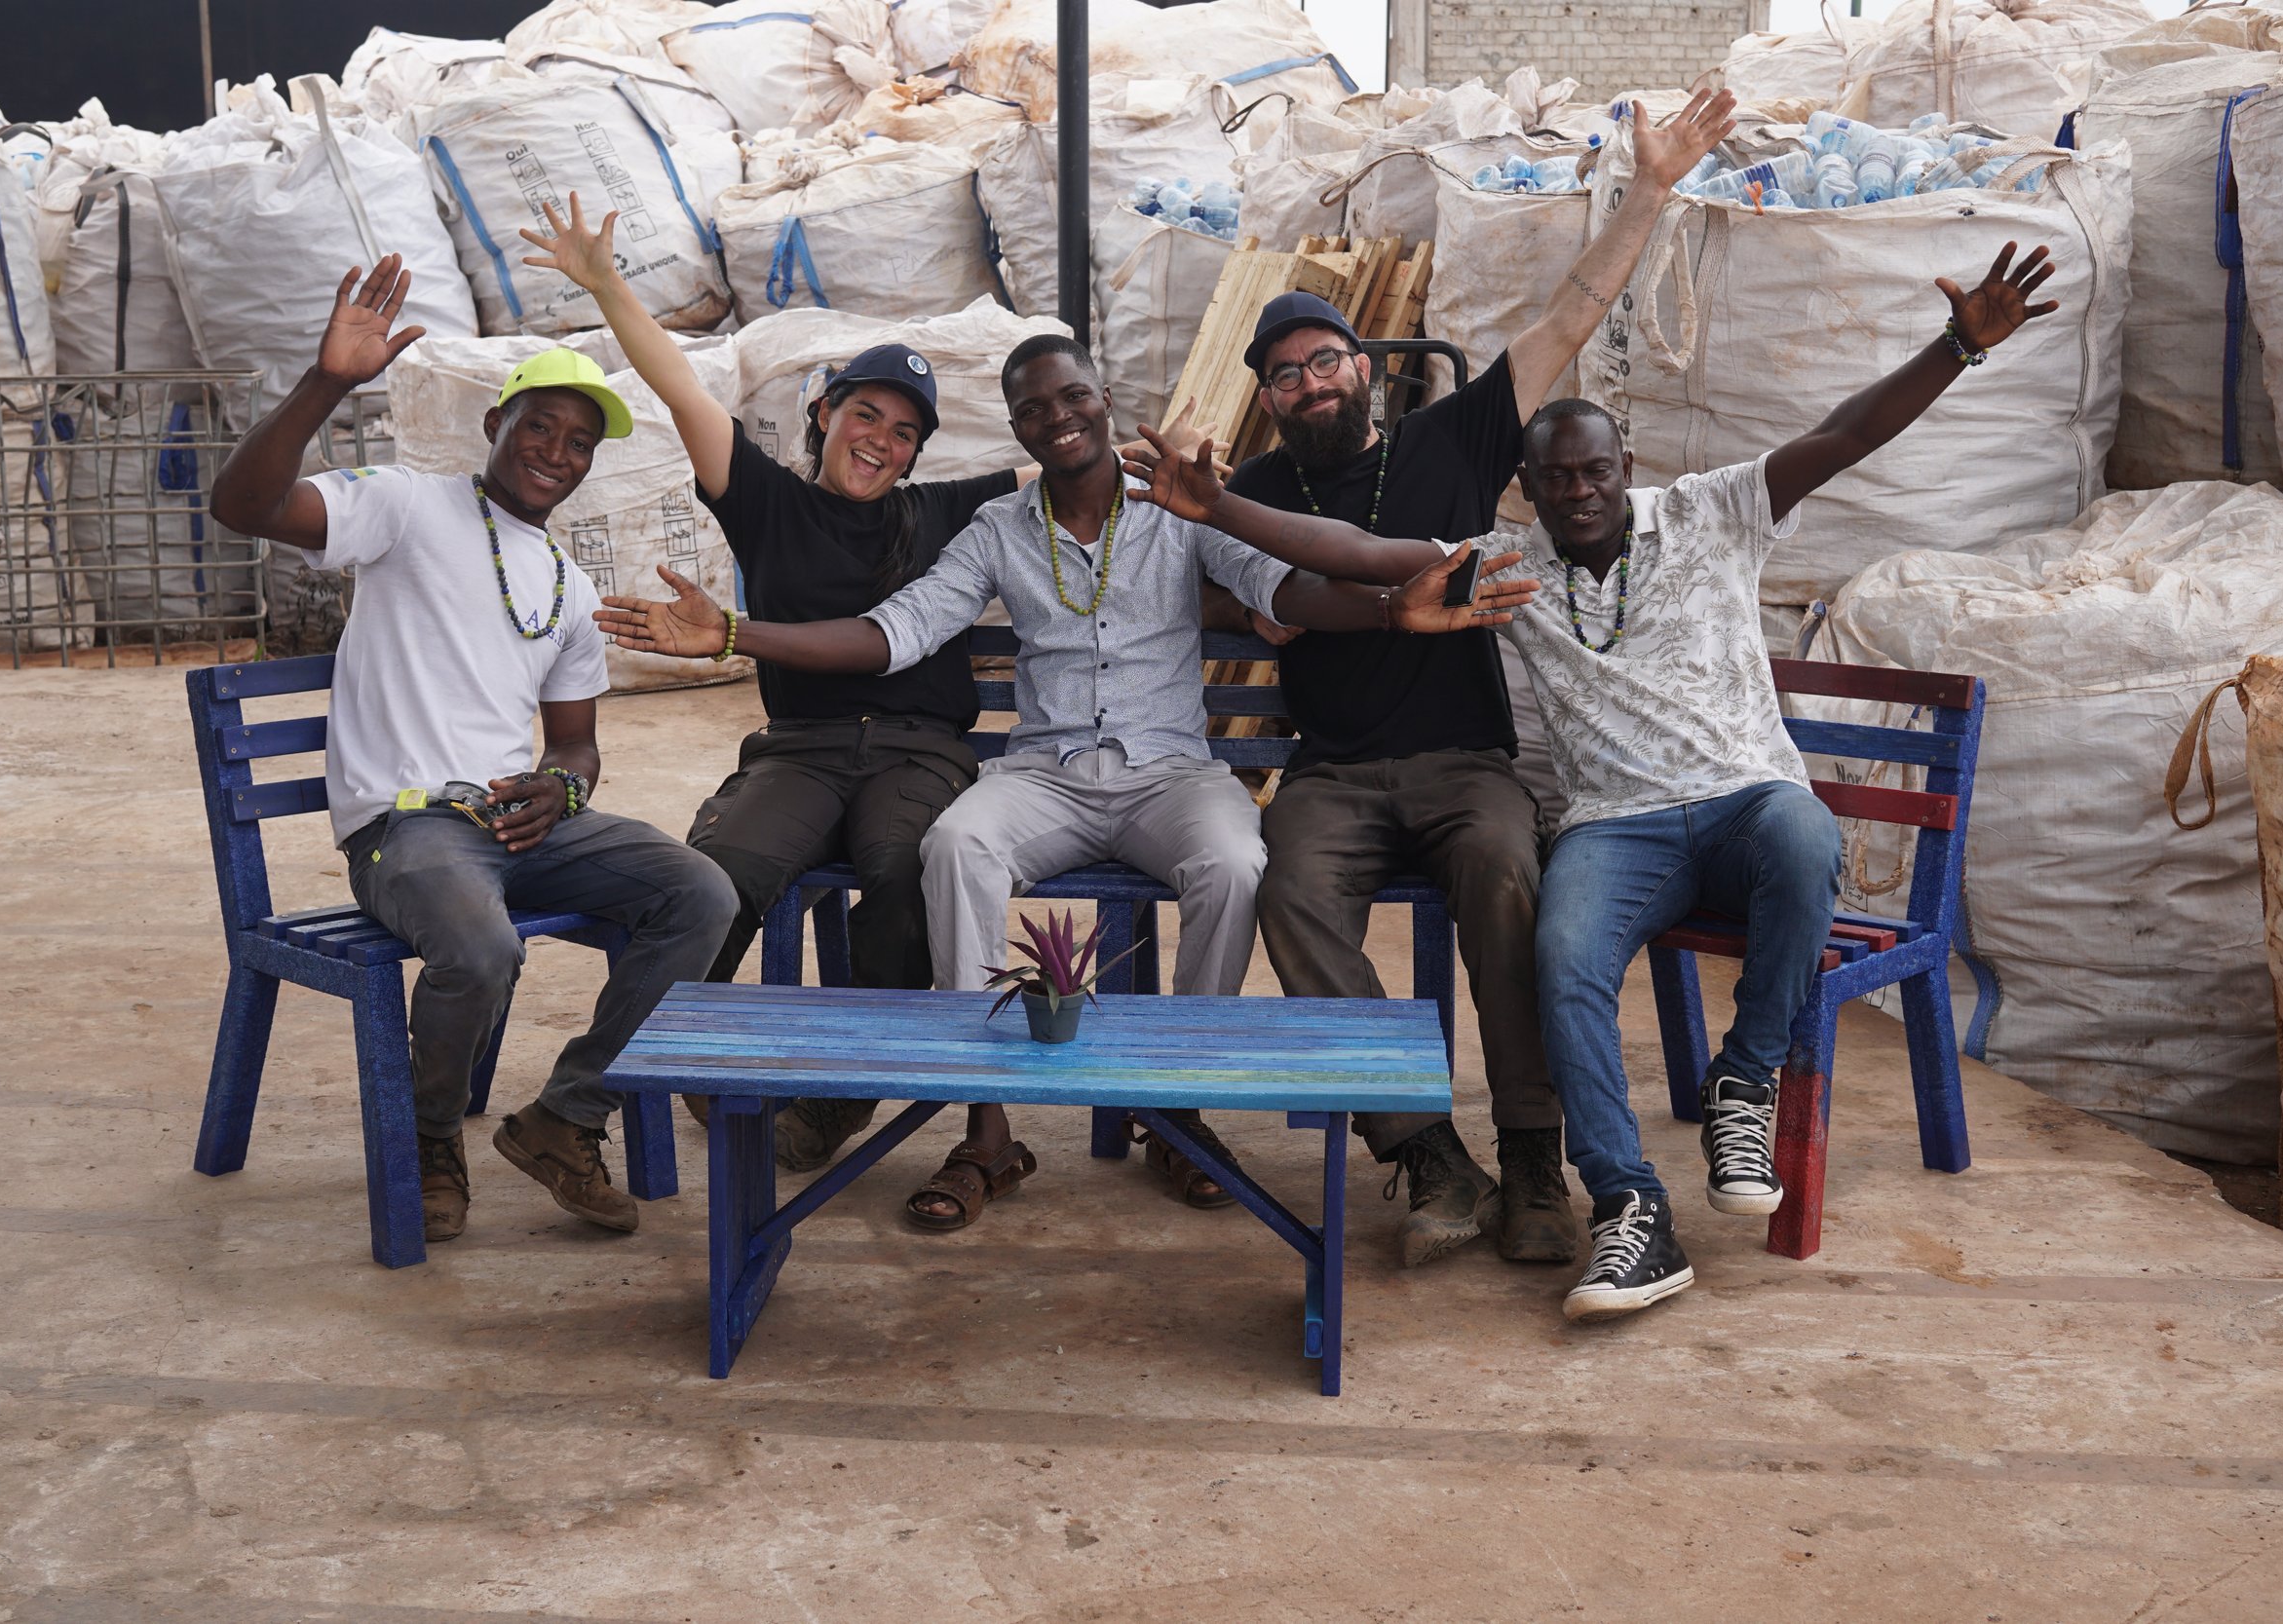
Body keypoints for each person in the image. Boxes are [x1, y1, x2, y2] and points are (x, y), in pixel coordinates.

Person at [1122, 242, 2062, 1320]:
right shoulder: (1506, 566)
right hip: (1615, 825)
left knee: (1802, 838)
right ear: (1523, 489)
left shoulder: (1709, 510)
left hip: (1742, 798)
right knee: (1563, 950)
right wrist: (1219, 512)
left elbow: (1845, 436)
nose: (1577, 492)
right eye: (1554, 478)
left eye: (1595, 471)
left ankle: (1738, 1083)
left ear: (1628, 466)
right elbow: (1352, 552)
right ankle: (1620, 1201)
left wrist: (1954, 345)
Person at [594, 333, 1538, 1229]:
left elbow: (1284, 589)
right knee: (956, 842)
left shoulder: (1179, 506)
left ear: (1103, 402)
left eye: (1074, 395)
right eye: (1034, 406)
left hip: (1171, 771)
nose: (1058, 415)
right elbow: (897, 632)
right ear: (1018, 428)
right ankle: (987, 1128)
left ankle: (1178, 1109)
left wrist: (1387, 606)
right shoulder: (998, 528)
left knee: (1235, 862)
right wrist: (731, 633)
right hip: (1045, 772)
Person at [516, 196, 1216, 1177]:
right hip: (798, 755)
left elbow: (1070, 458)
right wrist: (607, 288)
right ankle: (578, 1112)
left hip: (915, 756)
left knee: (908, 875)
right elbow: (680, 390)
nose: (881, 439)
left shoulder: (946, 513)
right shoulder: (766, 503)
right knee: (707, 884)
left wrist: (1161, 457)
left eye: (903, 431)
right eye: (865, 414)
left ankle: (832, 1106)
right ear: (823, 415)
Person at [1218, 89, 1737, 1270]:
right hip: (1333, 772)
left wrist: (1649, 188)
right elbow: (1207, 565)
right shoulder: (1251, 487)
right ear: (1266, 397)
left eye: (1326, 359)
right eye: (1287, 374)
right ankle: (1423, 1150)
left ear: (1362, 366)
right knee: (1286, 888)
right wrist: (1239, 597)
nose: (1312, 382)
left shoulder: (1450, 437)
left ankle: (1531, 1157)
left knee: (1508, 871)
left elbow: (1572, 313)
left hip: (1465, 765)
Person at [209, 255, 742, 1244]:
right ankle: (427, 1134)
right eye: (538, 423)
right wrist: (327, 383)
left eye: (578, 440)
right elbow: (241, 508)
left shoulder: (566, 586)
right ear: (496, 426)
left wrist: (559, 790)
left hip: (515, 824)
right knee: (484, 946)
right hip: (408, 830)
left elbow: (576, 747)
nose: (555, 448)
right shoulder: (406, 506)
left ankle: (565, 1118)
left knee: (701, 891)